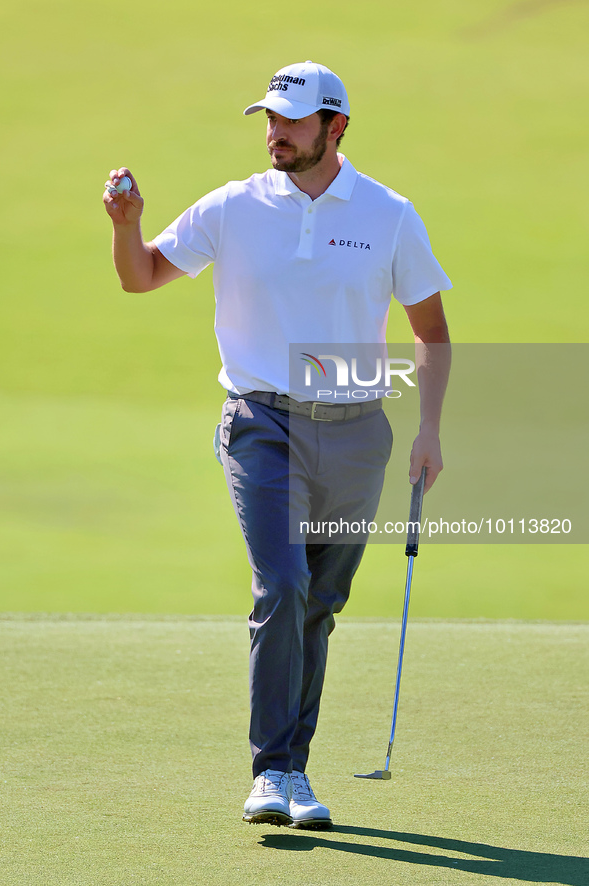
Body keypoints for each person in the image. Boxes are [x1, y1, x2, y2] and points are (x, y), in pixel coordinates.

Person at [103, 60, 452, 830]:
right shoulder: (232, 207)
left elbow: (429, 331)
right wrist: (127, 226)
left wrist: (428, 429)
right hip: (260, 424)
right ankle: (274, 771)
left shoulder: (389, 213)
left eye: (291, 121)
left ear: (336, 127)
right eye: (268, 118)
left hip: (358, 431)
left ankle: (292, 767)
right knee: (283, 586)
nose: (274, 133)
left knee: (320, 604)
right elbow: (142, 278)